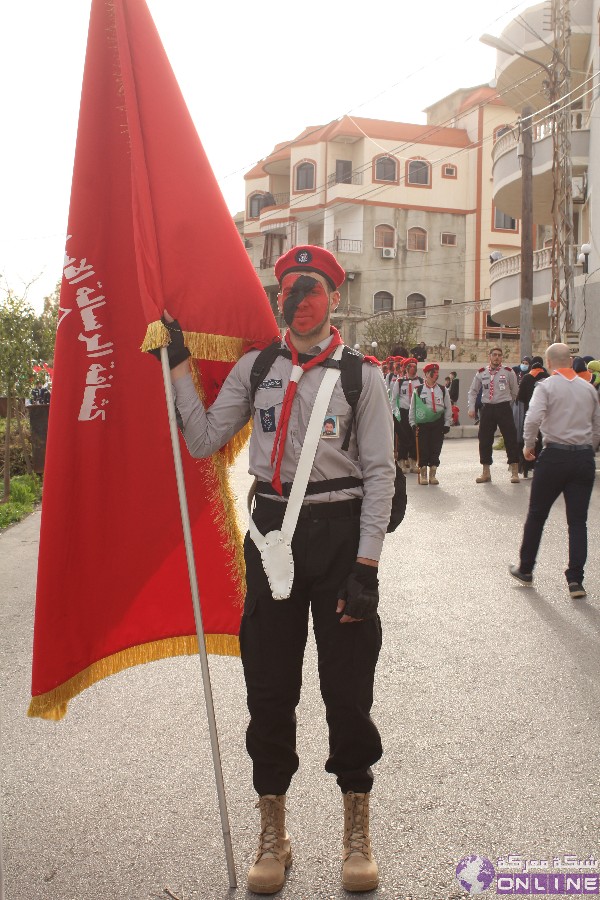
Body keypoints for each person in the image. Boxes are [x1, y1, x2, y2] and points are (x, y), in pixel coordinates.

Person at [165, 245, 395, 894]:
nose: (297, 301)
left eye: (310, 290)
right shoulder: (256, 368)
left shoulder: (362, 379)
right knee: (269, 689)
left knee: (347, 693)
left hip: (341, 540)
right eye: (288, 290)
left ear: (332, 299)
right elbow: (205, 438)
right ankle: (275, 832)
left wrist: (368, 568)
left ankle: (357, 831)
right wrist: (178, 364)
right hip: (271, 539)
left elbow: (380, 475)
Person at [509, 343, 600, 599]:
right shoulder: (588, 389)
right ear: (570, 362)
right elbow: (597, 426)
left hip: (554, 456)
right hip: (582, 457)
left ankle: (526, 569)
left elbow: (533, 418)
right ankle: (575, 581)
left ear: (549, 363)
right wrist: (587, 450)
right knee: (578, 521)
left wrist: (528, 446)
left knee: (537, 514)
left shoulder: (546, 387)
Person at [467, 347, 520, 483]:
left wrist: (508, 404)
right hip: (487, 408)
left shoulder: (508, 372)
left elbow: (515, 391)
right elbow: (473, 391)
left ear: (502, 358)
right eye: (494, 355)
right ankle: (486, 471)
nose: (497, 357)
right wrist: (471, 407)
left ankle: (514, 470)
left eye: (499, 355)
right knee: (484, 439)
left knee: (510, 437)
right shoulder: (481, 373)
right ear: (489, 356)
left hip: (503, 407)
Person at [409, 362, 451, 484]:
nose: (435, 375)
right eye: (433, 373)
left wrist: (447, 423)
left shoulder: (443, 390)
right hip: (423, 423)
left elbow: (448, 407)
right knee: (423, 448)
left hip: (438, 422)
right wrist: (412, 422)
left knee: (436, 447)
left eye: (437, 373)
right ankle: (423, 474)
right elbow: (413, 407)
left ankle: (433, 473)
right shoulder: (418, 390)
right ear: (426, 374)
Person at [515, 356, 549, 477]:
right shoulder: (549, 377)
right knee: (542, 442)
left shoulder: (527, 377)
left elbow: (520, 398)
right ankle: (542, 467)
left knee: (530, 440)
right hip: (545, 417)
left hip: (529, 413)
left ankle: (527, 467)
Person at [391, 357, 422, 473]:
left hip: (415, 412)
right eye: (411, 367)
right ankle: (401, 460)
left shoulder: (420, 381)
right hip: (403, 412)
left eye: (415, 367)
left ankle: (413, 461)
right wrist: (395, 413)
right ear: (407, 369)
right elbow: (394, 398)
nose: (413, 369)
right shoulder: (399, 382)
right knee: (403, 437)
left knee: (414, 437)